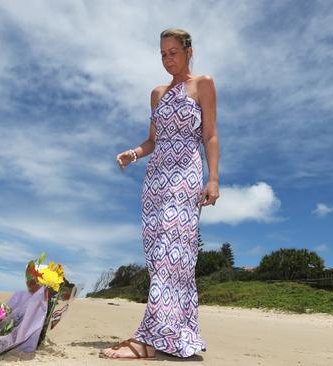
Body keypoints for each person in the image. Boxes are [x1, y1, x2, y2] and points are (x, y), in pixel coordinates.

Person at [100, 28, 219, 360]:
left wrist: (213, 180)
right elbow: (153, 140)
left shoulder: (204, 84)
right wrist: (134, 153)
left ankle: (149, 340)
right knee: (159, 256)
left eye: (173, 52)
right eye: (163, 54)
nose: (168, 59)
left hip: (186, 175)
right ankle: (176, 336)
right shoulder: (157, 94)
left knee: (172, 251)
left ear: (189, 51)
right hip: (156, 180)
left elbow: (209, 134)